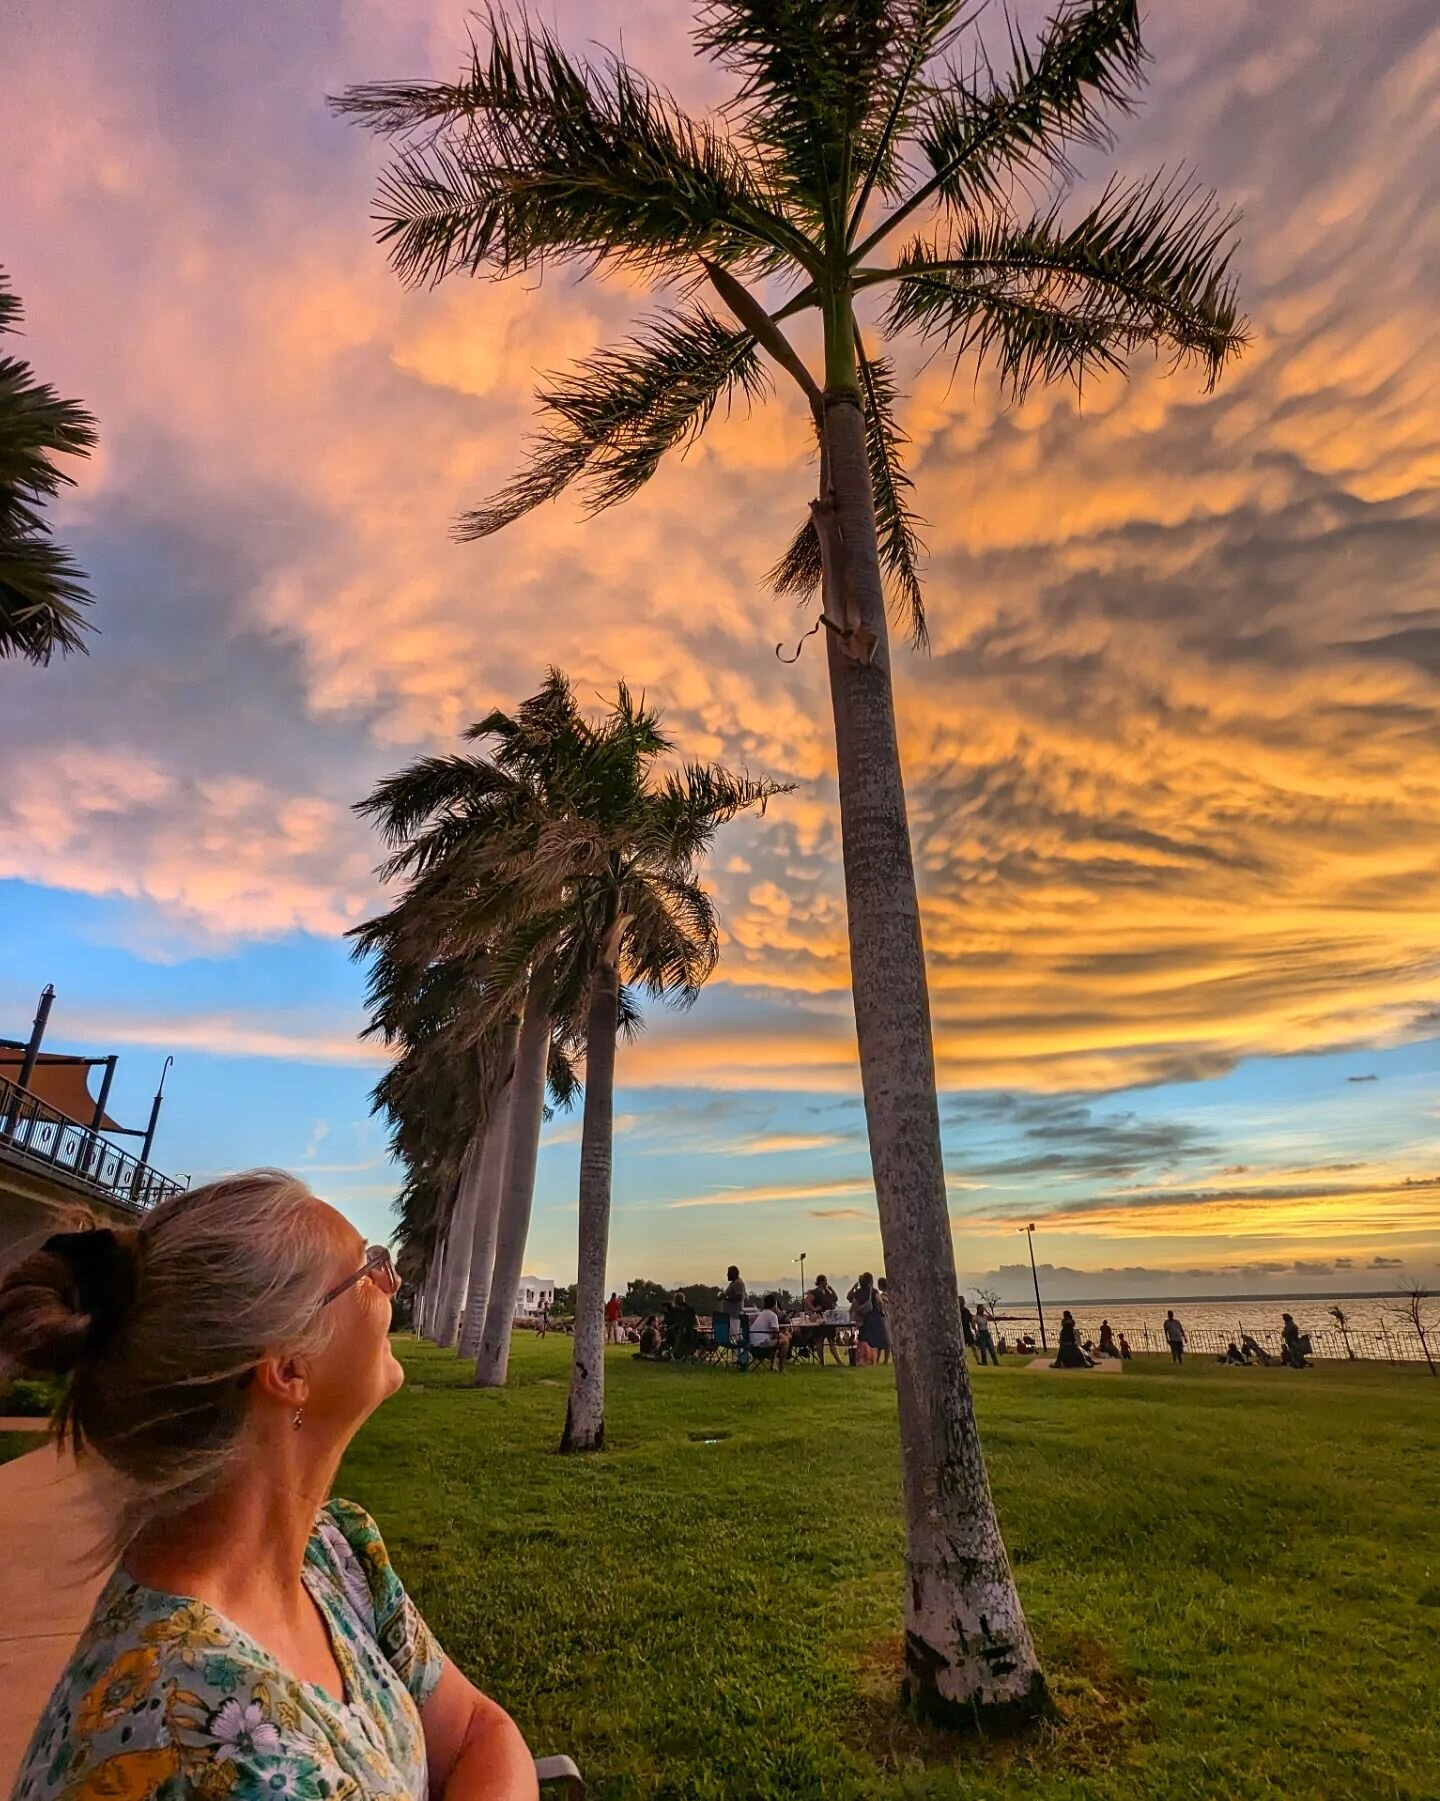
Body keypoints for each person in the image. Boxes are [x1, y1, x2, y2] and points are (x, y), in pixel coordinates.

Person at [0, 1171, 538, 1801]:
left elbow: (480, 1728)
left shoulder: (335, 1555)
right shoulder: (203, 1741)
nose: (390, 1283)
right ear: (289, 1369)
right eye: (368, 1270)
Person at [748, 1293, 788, 1371]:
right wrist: (785, 1336)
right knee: (785, 1342)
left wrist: (782, 1335)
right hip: (761, 1344)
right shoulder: (772, 1315)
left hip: (752, 1344)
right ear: (775, 1304)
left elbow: (773, 1334)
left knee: (781, 1339)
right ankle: (781, 1369)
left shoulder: (762, 1313)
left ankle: (773, 1366)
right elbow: (776, 1335)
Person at [848, 1272, 882, 1365]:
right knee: (874, 1341)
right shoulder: (873, 1291)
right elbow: (879, 1301)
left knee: (862, 1340)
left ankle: (862, 1359)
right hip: (874, 1318)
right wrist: (881, 1310)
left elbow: (854, 1305)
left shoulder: (858, 1292)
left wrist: (854, 1314)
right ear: (870, 1281)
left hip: (862, 1319)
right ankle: (872, 1360)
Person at [722, 1265, 749, 1368]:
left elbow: (739, 1297)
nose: (727, 1275)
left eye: (728, 1273)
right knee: (733, 1336)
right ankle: (738, 1357)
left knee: (735, 1336)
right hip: (730, 1315)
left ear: (734, 1273)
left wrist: (726, 1298)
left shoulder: (738, 1283)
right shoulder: (733, 1283)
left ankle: (741, 1358)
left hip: (735, 1315)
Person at [662, 1289, 698, 1360]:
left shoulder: (674, 1311)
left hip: (678, 1333)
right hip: (690, 1334)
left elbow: (671, 1322)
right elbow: (693, 1322)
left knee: (673, 1335)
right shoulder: (690, 1310)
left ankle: (674, 1353)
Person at [973, 1302, 1000, 1367]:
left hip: (986, 1332)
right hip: (981, 1333)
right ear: (978, 1309)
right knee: (983, 1350)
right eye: (980, 1308)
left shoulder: (985, 1316)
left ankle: (996, 1363)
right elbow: (973, 1323)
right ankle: (984, 1363)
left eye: (982, 1308)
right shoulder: (976, 1317)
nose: (982, 1310)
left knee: (991, 1349)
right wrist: (976, 1331)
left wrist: (987, 1311)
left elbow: (992, 1318)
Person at [874, 1277, 893, 1365]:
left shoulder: (882, 1297)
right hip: (890, 1318)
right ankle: (885, 1359)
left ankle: (879, 1359)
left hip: (884, 1318)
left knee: (882, 1340)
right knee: (888, 1340)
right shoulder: (891, 1295)